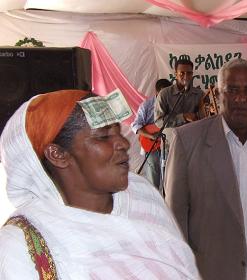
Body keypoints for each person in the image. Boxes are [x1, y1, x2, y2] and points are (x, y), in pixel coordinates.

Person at [0, 90, 200, 279]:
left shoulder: (142, 195)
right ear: (57, 154)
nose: (124, 143)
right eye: (103, 136)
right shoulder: (22, 246)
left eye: (118, 132)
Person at [165, 58, 247, 280]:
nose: (241, 98)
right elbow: (175, 216)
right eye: (232, 90)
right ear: (218, 94)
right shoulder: (188, 141)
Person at [131, 78, 172, 190]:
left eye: (168, 92)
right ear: (157, 92)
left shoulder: (173, 104)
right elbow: (135, 125)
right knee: (153, 175)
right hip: (152, 146)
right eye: (163, 93)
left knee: (169, 176)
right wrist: (151, 136)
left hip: (168, 145)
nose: (166, 96)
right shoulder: (147, 106)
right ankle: (153, 200)